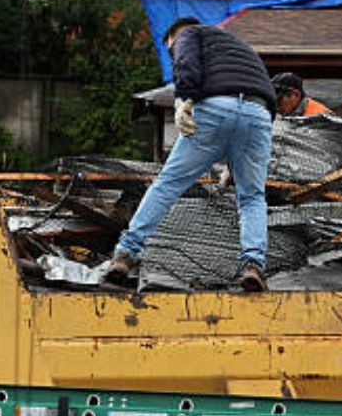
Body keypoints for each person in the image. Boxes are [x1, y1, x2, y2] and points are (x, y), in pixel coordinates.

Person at [105, 16, 277, 292]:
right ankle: (254, 265)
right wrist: (237, 160)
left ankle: (125, 254)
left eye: (171, 48)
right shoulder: (240, 47)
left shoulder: (188, 33)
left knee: (168, 184)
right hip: (260, 115)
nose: (174, 53)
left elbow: (187, 63)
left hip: (215, 108)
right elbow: (265, 92)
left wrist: (184, 98)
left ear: (176, 34)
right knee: (252, 197)